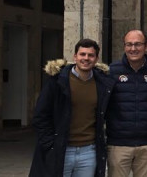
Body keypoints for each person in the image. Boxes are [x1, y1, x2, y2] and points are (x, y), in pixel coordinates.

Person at [30, 39, 115, 177]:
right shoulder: (57, 81)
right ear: (75, 57)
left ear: (96, 59)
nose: (86, 58)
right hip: (61, 149)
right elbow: (40, 116)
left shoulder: (103, 84)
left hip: (89, 152)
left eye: (90, 55)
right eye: (82, 54)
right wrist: (50, 145)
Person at [107, 30, 147, 177]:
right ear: (124, 47)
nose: (133, 49)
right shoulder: (111, 71)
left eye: (138, 44)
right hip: (118, 144)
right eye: (129, 44)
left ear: (146, 47)